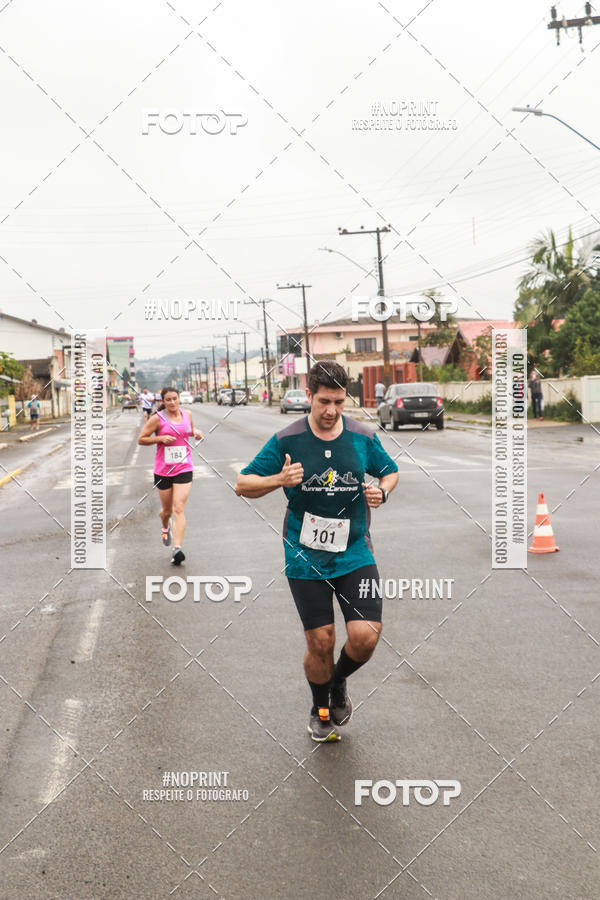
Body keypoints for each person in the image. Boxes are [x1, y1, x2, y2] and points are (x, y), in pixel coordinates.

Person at [235, 361, 399, 743]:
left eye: (339, 402)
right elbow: (243, 484)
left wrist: (383, 491)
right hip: (304, 556)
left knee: (366, 635)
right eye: (324, 401)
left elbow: (390, 470)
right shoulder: (287, 440)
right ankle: (321, 706)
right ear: (309, 395)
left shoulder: (361, 436)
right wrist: (279, 479)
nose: (331, 410)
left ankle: (338, 680)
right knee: (321, 641)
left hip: (355, 551)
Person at [138, 386, 203, 565]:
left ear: (179, 399)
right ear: (163, 402)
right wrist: (159, 439)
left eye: (175, 398)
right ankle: (165, 526)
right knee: (167, 511)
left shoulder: (187, 414)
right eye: (168, 400)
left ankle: (177, 549)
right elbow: (141, 439)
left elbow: (189, 431)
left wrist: (197, 434)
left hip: (184, 467)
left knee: (179, 508)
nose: (172, 402)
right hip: (163, 470)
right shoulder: (156, 419)